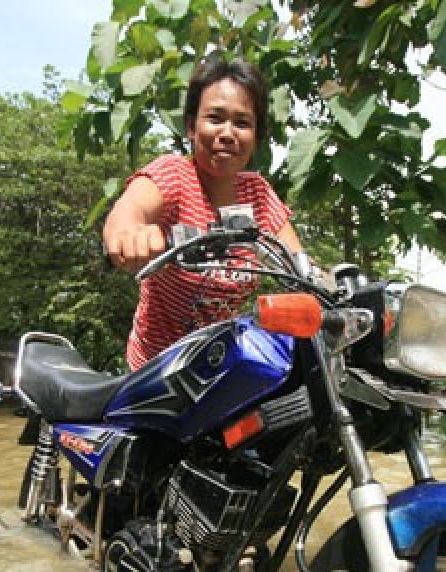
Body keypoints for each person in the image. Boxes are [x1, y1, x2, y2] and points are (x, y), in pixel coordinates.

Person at [103, 55, 304, 370]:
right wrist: (129, 233)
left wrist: (337, 285)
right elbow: (130, 210)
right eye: (215, 118)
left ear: (256, 137)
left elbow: (300, 266)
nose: (227, 133)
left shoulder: (259, 196)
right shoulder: (174, 177)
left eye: (242, 122)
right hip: (157, 375)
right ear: (190, 126)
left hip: (218, 373)